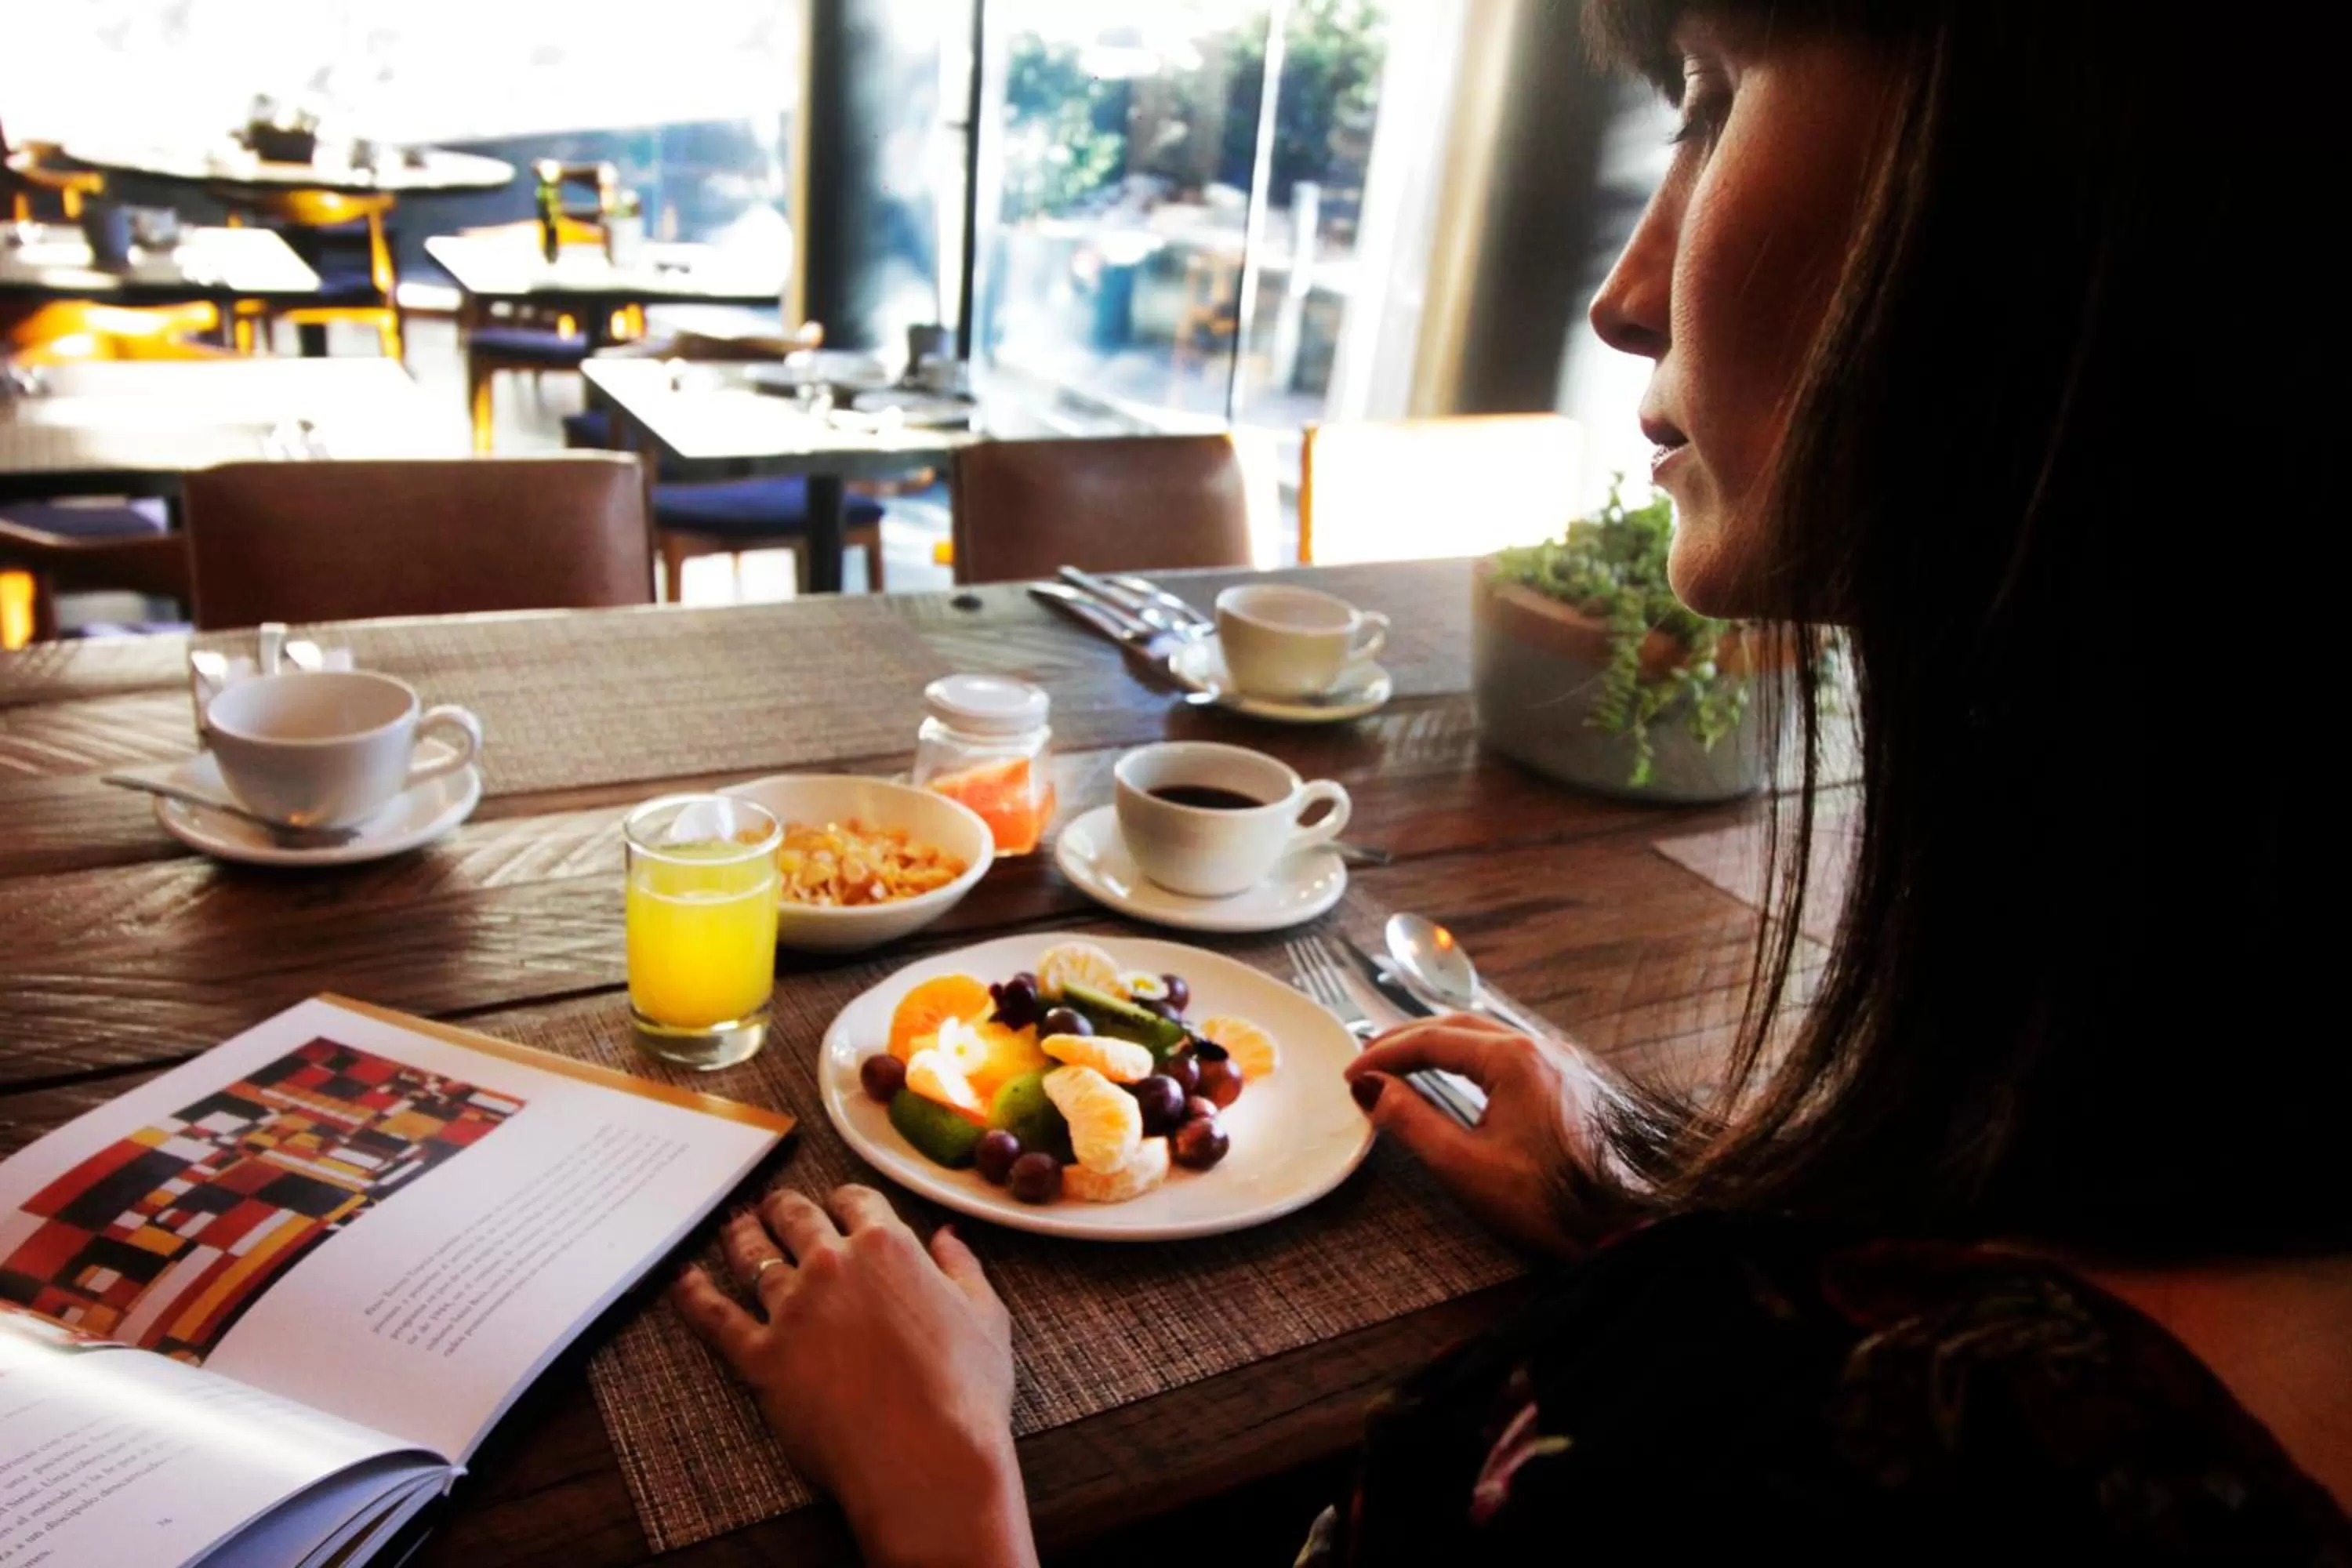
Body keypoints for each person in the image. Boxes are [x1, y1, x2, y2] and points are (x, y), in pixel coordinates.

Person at [667, 2, 2348, 1561]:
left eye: (1712, 97)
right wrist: (1634, 1227)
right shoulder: (2113, 1186)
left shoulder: (1898, 1461)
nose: (1623, 292)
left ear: (2060, 186)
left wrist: (946, 1479)